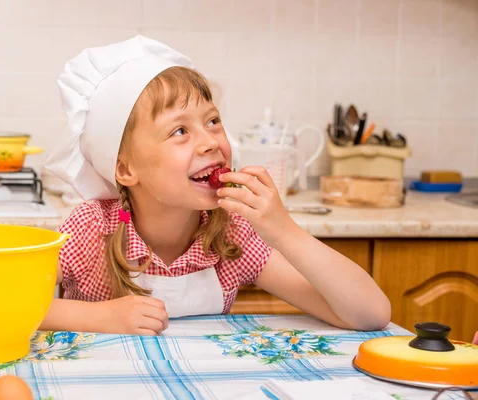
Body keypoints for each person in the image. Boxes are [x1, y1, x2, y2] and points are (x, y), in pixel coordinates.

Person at [39, 35, 391, 335]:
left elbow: (370, 314)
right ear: (125, 169)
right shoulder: (91, 229)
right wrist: (99, 317)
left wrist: (284, 231)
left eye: (212, 121)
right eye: (180, 130)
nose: (210, 141)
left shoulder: (231, 233)